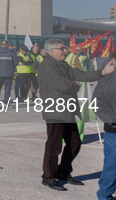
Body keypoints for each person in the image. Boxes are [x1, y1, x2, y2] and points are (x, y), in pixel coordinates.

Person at [37, 38, 115, 192]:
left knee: (74, 142)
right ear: (51, 51)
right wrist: (75, 84)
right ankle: (48, 177)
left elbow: (80, 74)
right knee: (54, 146)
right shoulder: (46, 66)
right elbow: (63, 85)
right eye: (62, 48)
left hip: (67, 110)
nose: (65, 51)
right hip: (55, 111)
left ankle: (63, 172)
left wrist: (102, 72)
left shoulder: (63, 65)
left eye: (65, 48)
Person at [93, 52, 116, 200]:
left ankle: (105, 195)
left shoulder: (106, 81)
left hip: (112, 128)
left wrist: (112, 119)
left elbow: (96, 104)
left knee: (111, 162)